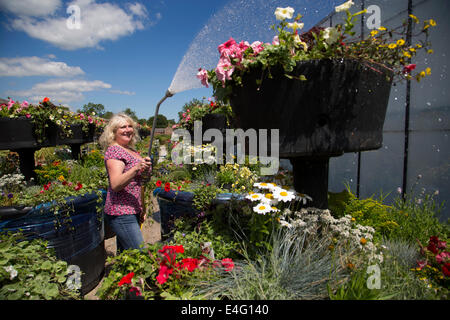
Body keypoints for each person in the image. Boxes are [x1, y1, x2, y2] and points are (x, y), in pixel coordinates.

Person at [99, 113, 152, 253]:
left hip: (133, 209)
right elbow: (116, 184)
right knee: (139, 254)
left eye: (130, 126)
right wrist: (137, 168)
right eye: (123, 127)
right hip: (121, 211)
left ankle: (122, 274)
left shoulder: (131, 150)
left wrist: (146, 169)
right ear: (114, 131)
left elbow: (139, 181)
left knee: (126, 256)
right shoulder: (114, 150)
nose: (128, 129)